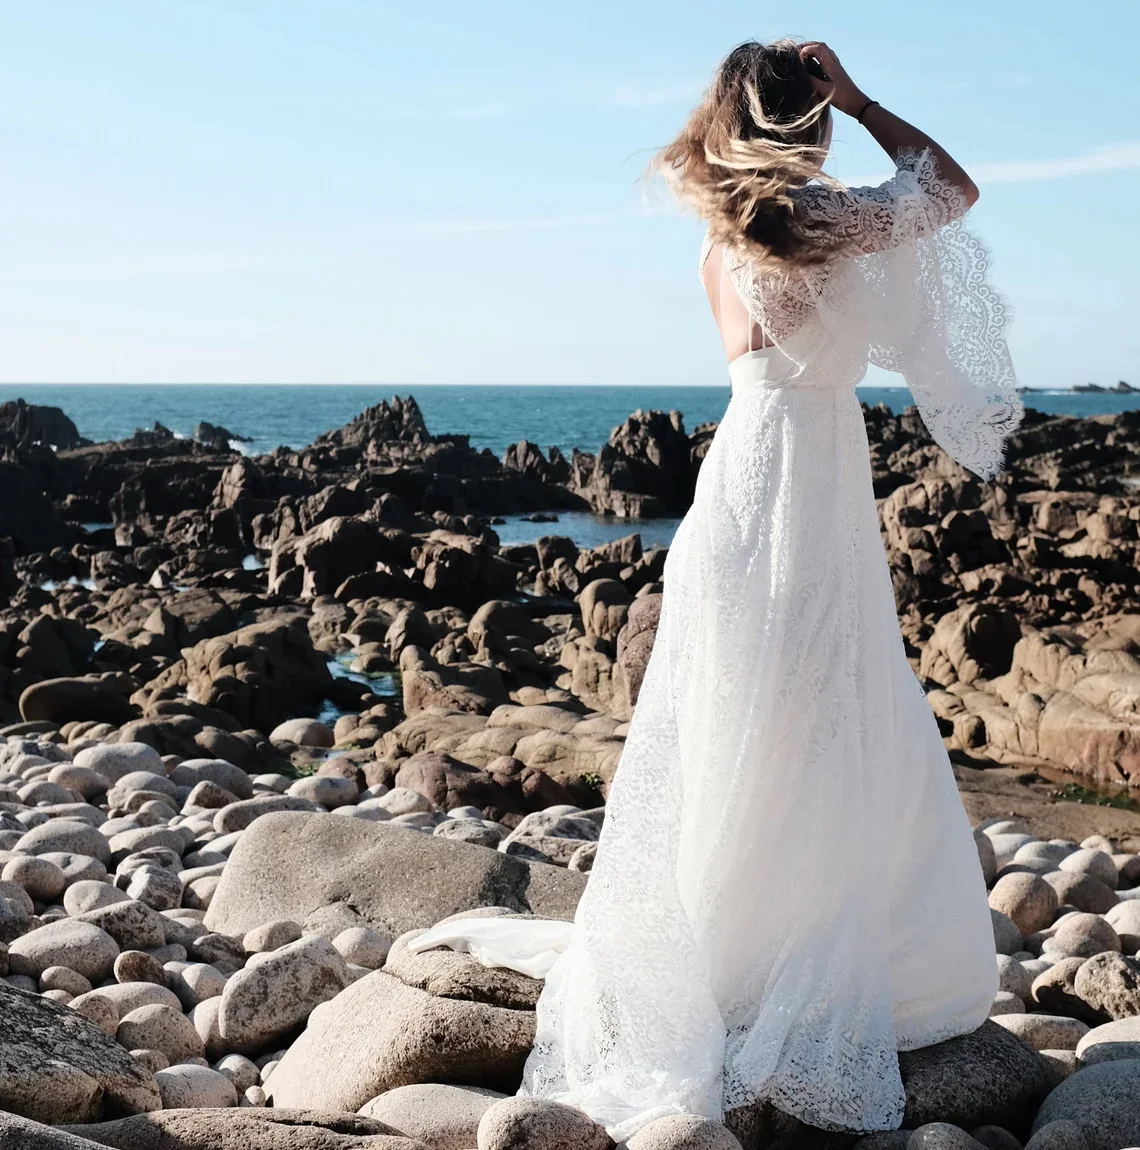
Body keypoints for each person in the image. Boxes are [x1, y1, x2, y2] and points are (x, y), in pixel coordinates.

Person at [410, 39, 1021, 1141]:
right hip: (802, 482)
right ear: (811, 116)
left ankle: (726, 953)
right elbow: (953, 188)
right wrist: (866, 96)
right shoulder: (813, 220)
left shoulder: (729, 231)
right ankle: (779, 969)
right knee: (818, 720)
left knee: (744, 724)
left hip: (744, 478)